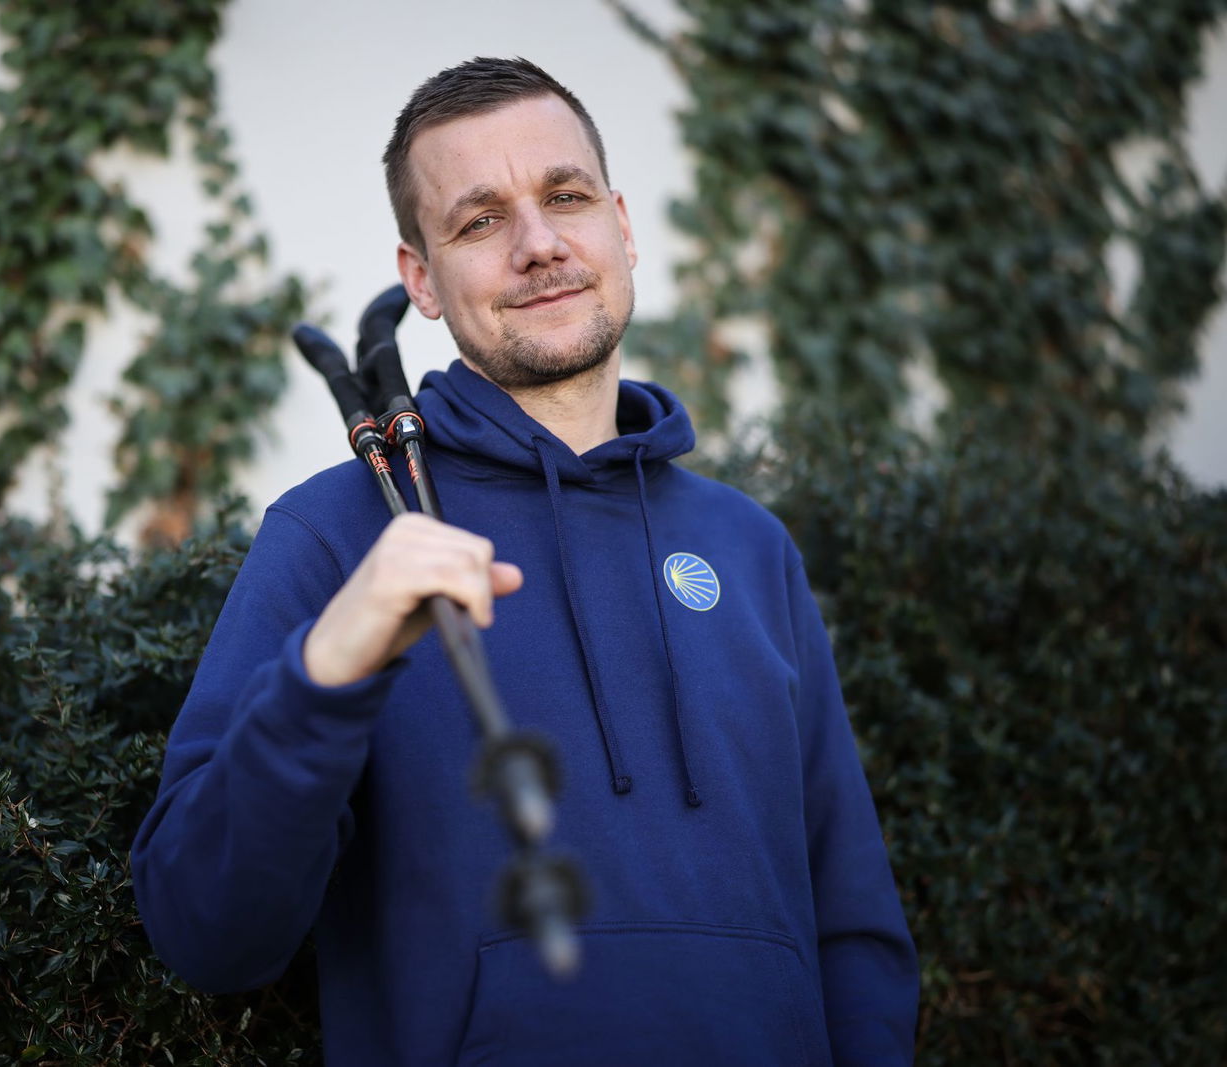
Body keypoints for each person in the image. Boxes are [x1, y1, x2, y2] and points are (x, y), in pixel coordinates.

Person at [131, 57, 919, 1066]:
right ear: (421, 277)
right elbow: (207, 931)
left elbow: (851, 922)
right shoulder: (339, 537)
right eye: (479, 220)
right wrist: (328, 669)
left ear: (621, 225)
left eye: (565, 197)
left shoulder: (747, 547)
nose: (539, 244)